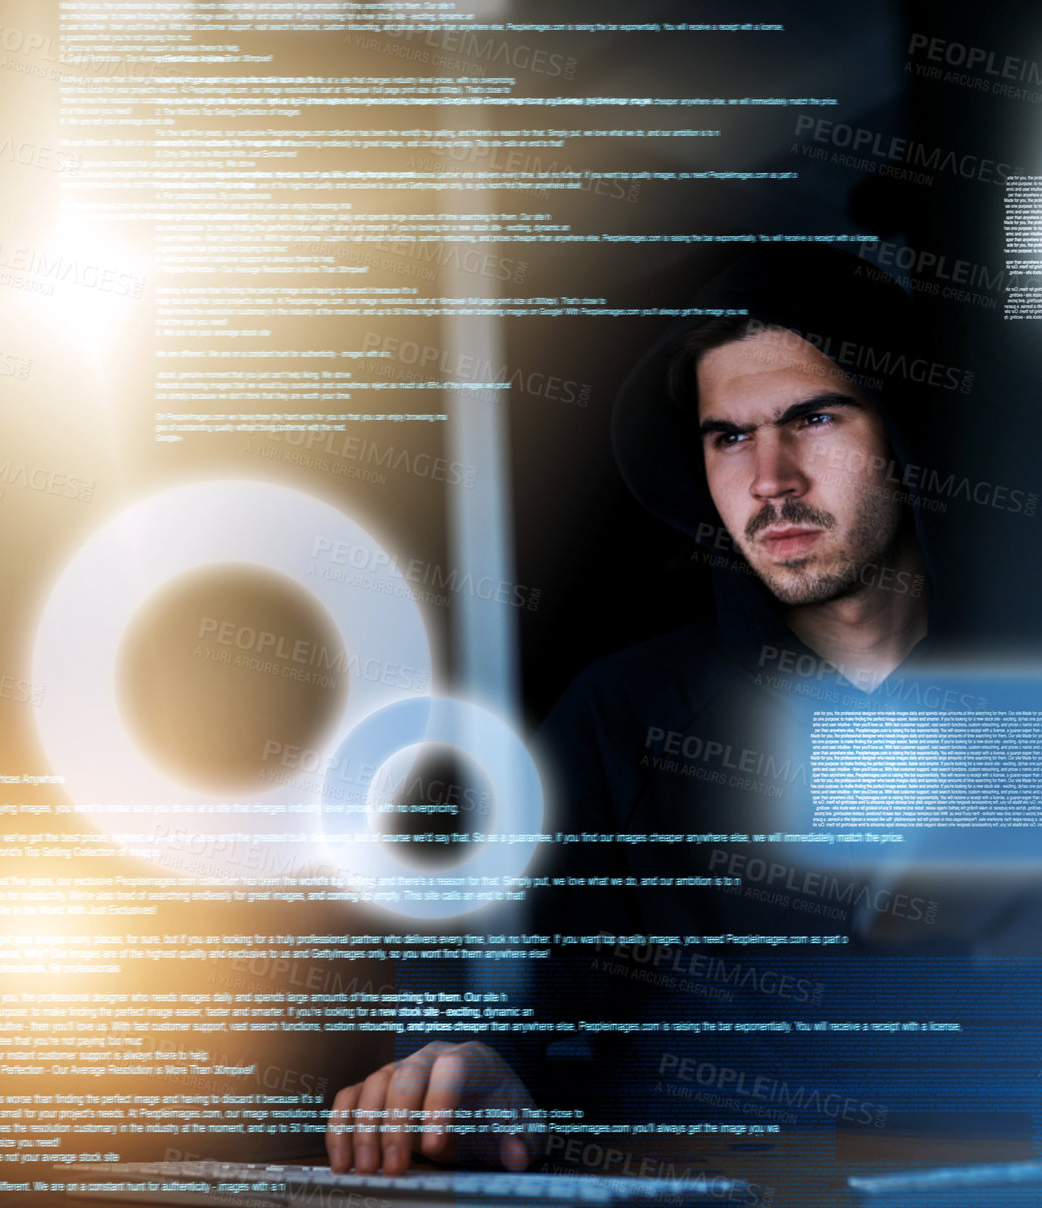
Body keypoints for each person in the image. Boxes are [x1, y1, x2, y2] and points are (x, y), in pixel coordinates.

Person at [325, 246, 950, 1177]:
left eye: (812, 418)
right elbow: (525, 1006)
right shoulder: (624, 718)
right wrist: (477, 1065)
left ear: (903, 430)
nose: (770, 478)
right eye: (728, 437)